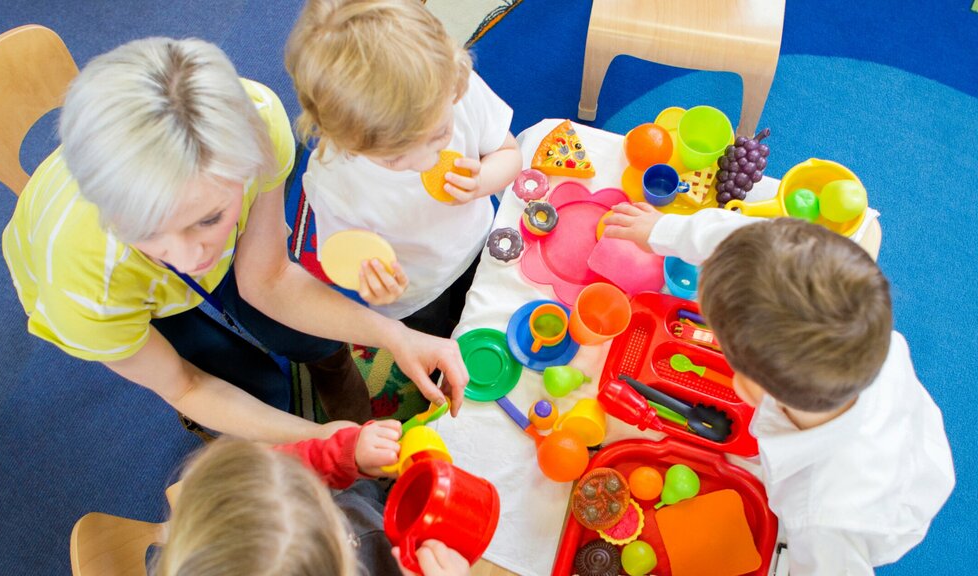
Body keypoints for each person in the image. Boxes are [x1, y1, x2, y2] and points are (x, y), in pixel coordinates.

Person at [1, 37, 467, 444]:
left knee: (310, 338)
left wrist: (395, 336)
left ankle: (325, 374)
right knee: (248, 386)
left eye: (208, 218)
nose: (188, 258)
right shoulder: (84, 290)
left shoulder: (257, 122)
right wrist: (319, 439)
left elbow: (267, 280)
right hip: (117, 286)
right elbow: (185, 385)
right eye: (147, 231)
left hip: (129, 253)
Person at [603, 203, 955, 575]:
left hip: (886, 515)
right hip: (905, 434)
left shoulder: (822, 519)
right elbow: (747, 240)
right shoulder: (859, 331)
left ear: (747, 389)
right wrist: (665, 231)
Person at [285, 0, 522, 338]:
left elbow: (509, 153)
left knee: (490, 312)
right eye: (394, 159)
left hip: (482, 241)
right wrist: (373, 283)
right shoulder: (335, 181)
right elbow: (346, 256)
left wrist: (484, 180)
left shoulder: (454, 90)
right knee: (437, 338)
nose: (427, 163)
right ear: (346, 141)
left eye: (440, 134)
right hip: (416, 291)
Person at [152, 433, 470, 576]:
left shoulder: (195, 558)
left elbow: (287, 468)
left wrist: (346, 455)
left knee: (360, 491)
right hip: (392, 550)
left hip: (367, 515)